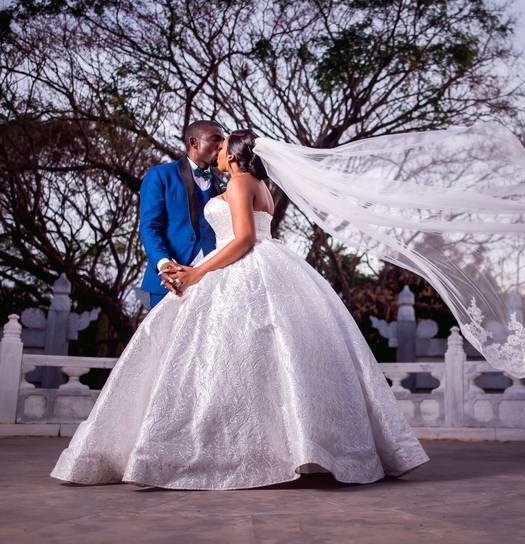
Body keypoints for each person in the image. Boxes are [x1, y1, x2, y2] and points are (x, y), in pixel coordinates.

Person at [51, 129, 430, 490]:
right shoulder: (260, 185)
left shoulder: (238, 182)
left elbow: (245, 238)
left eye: (222, 146)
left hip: (244, 262)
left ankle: (221, 453)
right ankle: (301, 445)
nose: (216, 151)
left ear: (233, 155)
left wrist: (197, 272)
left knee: (221, 357)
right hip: (271, 262)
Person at [137, 120, 225, 310]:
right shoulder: (160, 175)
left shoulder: (224, 185)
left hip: (210, 286)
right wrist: (163, 263)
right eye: (215, 139)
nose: (221, 146)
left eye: (223, 141)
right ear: (194, 143)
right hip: (169, 284)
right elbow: (149, 227)